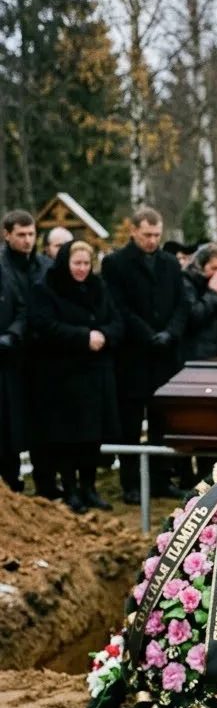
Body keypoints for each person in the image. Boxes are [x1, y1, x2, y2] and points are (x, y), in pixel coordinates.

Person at [102, 206, 189, 504]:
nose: (153, 240)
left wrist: (170, 333)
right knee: (130, 423)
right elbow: (118, 307)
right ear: (134, 232)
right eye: (147, 235)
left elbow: (182, 303)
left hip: (165, 355)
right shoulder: (115, 264)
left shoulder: (169, 263)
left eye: (157, 235)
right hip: (132, 356)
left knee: (162, 421)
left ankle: (161, 478)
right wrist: (147, 334)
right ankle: (131, 483)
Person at [29, 242, 122, 514]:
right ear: (65, 263)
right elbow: (44, 325)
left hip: (95, 373)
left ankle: (89, 488)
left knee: (91, 436)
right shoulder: (46, 288)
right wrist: (84, 337)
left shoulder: (98, 287)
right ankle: (70, 488)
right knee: (67, 437)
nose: (82, 270)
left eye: (86, 264)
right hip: (63, 376)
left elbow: (115, 319)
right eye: (76, 264)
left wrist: (105, 334)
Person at [1, 210, 49, 495]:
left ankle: (45, 483)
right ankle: (10, 483)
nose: (27, 240)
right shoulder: (2, 266)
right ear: (7, 234)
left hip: (43, 355)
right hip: (9, 356)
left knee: (42, 422)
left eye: (31, 234)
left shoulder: (44, 265)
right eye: (21, 234)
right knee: (8, 425)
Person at [182, 244, 217, 360]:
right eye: (213, 269)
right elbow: (192, 317)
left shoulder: (216, 283)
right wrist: (212, 293)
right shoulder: (187, 282)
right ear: (201, 266)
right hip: (195, 354)